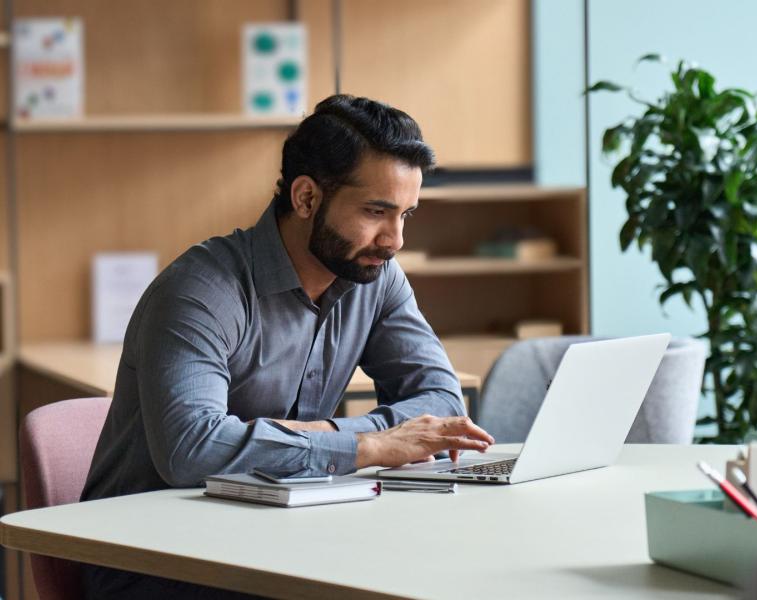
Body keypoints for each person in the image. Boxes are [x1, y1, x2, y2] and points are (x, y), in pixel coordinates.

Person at [80, 94, 494, 599]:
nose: (395, 240)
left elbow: (442, 404)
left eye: (406, 214)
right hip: (151, 560)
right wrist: (367, 445)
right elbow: (191, 450)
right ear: (305, 199)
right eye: (376, 212)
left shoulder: (377, 277)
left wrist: (326, 435)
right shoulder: (200, 291)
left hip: (275, 536)